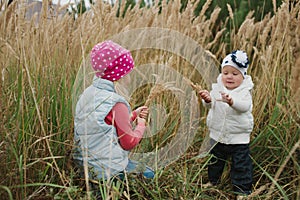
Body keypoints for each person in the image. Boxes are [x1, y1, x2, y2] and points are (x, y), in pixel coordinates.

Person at [73, 40, 154, 184]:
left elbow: (105, 126)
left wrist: (133, 115)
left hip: (84, 166)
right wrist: (141, 125)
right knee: (149, 174)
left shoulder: (88, 94)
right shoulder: (116, 103)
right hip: (108, 171)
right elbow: (128, 142)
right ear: (119, 76)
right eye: (127, 73)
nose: (129, 78)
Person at [198, 50, 254, 199]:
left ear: (243, 76)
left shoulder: (244, 92)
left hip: (238, 137)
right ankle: (213, 181)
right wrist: (207, 99)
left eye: (235, 74)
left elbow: (245, 107)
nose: (229, 76)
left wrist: (232, 102)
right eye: (226, 72)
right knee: (215, 161)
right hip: (217, 134)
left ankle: (242, 190)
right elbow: (210, 106)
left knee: (241, 165)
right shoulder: (217, 89)